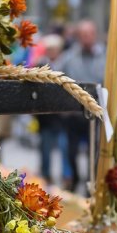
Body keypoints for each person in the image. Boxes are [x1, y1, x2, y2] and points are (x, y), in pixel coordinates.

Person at [56, 20, 106, 192]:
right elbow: (57, 75)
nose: (87, 38)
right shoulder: (69, 57)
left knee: (95, 152)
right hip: (73, 114)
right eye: (83, 35)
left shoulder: (105, 57)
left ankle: (89, 183)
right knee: (71, 151)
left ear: (95, 35)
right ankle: (74, 177)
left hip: (96, 114)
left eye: (89, 34)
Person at [35, 34, 70, 184]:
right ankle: (45, 174)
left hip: (62, 116)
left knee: (64, 147)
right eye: (49, 49)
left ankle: (66, 175)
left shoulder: (66, 65)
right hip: (46, 116)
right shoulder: (40, 65)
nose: (52, 52)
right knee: (45, 147)